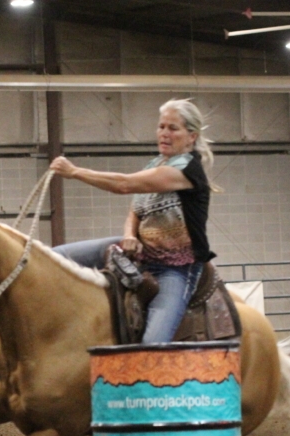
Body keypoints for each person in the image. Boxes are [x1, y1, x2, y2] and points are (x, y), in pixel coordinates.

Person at [49, 98, 220, 344]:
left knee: (152, 344)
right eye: (161, 126)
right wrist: (129, 235)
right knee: (54, 257)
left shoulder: (186, 170)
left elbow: (124, 185)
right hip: (142, 254)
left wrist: (75, 172)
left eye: (173, 128)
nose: (164, 133)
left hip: (176, 269)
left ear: (191, 136)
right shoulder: (156, 164)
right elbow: (136, 210)